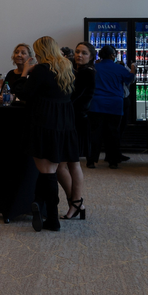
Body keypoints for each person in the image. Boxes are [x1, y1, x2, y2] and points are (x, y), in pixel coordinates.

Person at [12, 36, 82, 230]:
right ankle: (39, 204)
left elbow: (24, 93)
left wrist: (24, 73)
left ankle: (50, 215)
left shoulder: (41, 70)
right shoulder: (66, 67)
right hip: (64, 123)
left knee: (47, 171)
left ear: (40, 52)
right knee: (52, 169)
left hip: (43, 122)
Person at [57, 42, 97, 213]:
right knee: (69, 165)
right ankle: (76, 203)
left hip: (77, 122)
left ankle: (76, 202)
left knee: (65, 166)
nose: (80, 55)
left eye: (84, 53)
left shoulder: (87, 73)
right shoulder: (79, 71)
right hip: (73, 121)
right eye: (78, 52)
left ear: (91, 57)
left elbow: (72, 95)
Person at [87, 44, 135, 169]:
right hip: (115, 104)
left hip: (96, 104)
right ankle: (113, 161)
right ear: (113, 55)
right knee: (113, 133)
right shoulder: (119, 68)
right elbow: (129, 79)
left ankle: (91, 160)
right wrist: (133, 68)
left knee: (95, 133)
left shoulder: (94, 67)